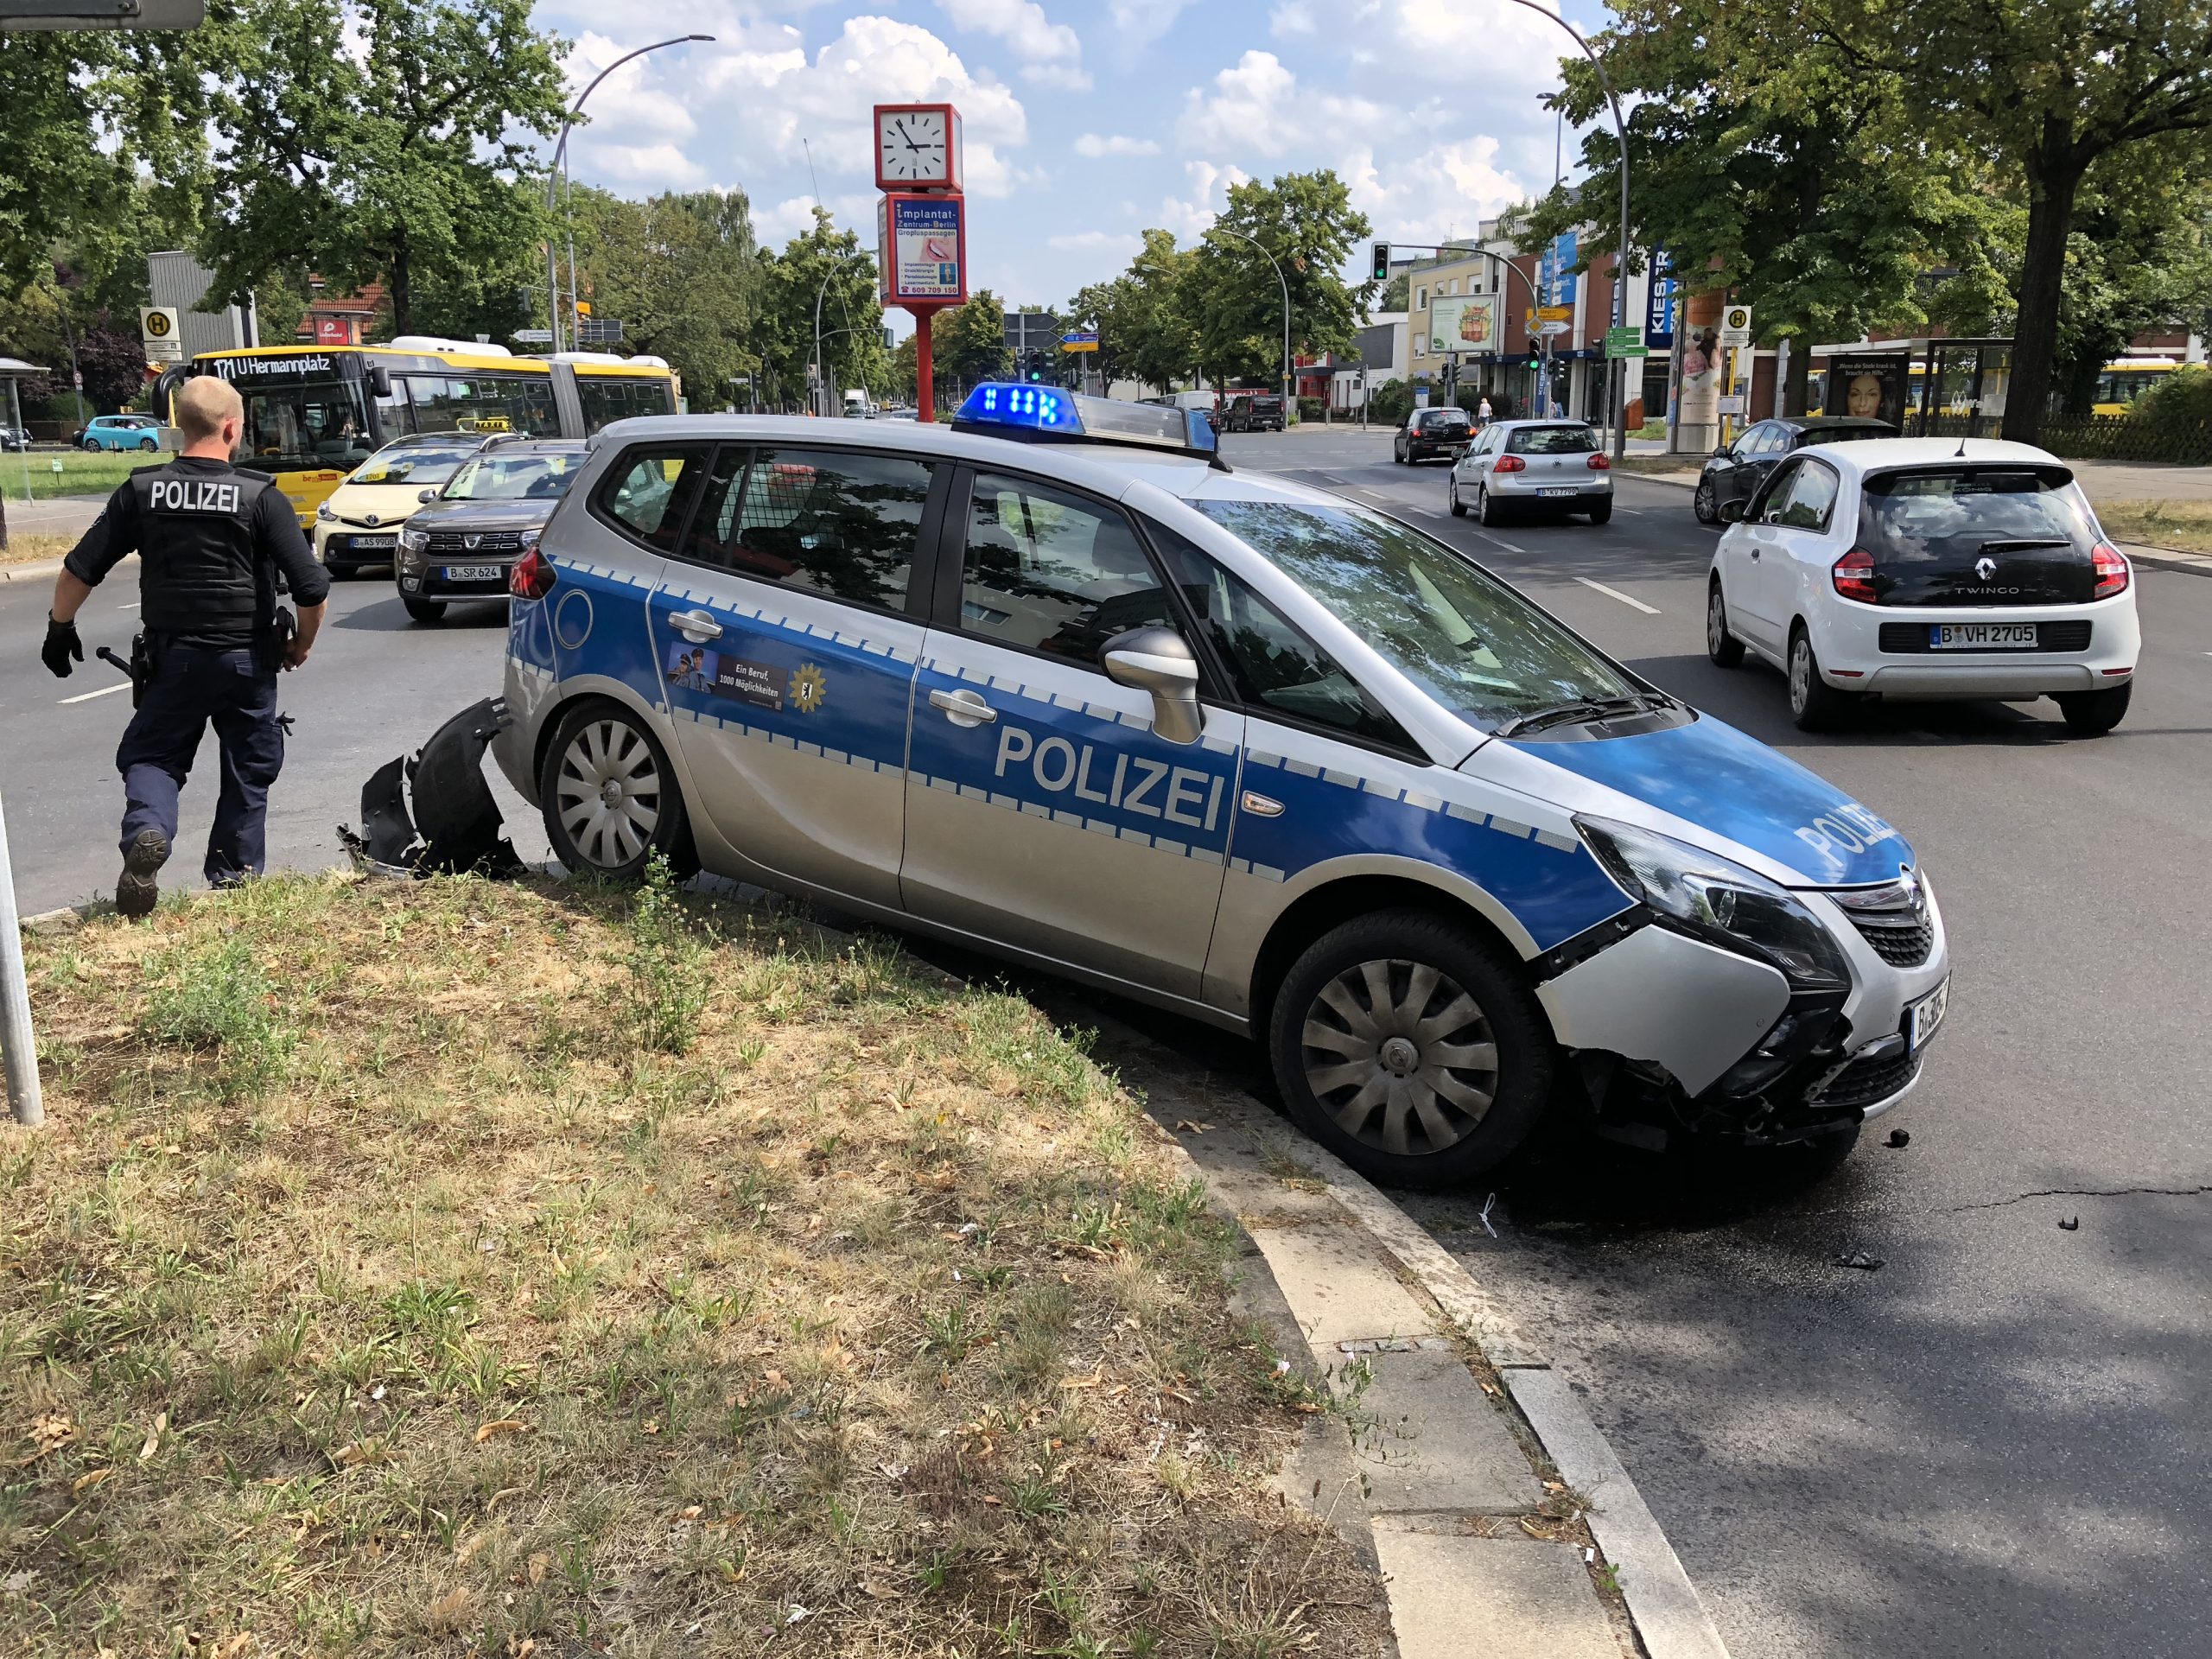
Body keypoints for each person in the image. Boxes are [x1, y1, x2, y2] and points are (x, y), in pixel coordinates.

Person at [40, 375, 329, 918]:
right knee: (248, 764)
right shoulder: (260, 496)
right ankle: (234, 881)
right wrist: (302, 645)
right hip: (247, 658)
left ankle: (148, 831)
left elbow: (79, 570)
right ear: (232, 428)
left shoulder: (142, 490)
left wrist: (60, 628)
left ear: (178, 428)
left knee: (154, 755)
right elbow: (312, 590)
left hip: (172, 659)